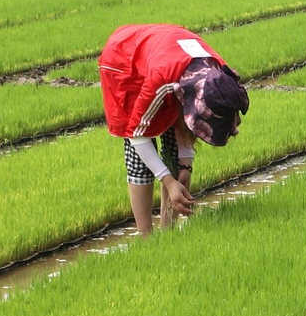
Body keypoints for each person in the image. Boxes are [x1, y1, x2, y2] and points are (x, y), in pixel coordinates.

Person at [99, 24, 250, 236]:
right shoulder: (163, 81)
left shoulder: (219, 79)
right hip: (125, 63)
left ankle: (168, 234)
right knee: (140, 158)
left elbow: (186, 119)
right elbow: (137, 134)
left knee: (175, 158)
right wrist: (169, 182)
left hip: (165, 57)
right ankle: (147, 240)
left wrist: (185, 168)